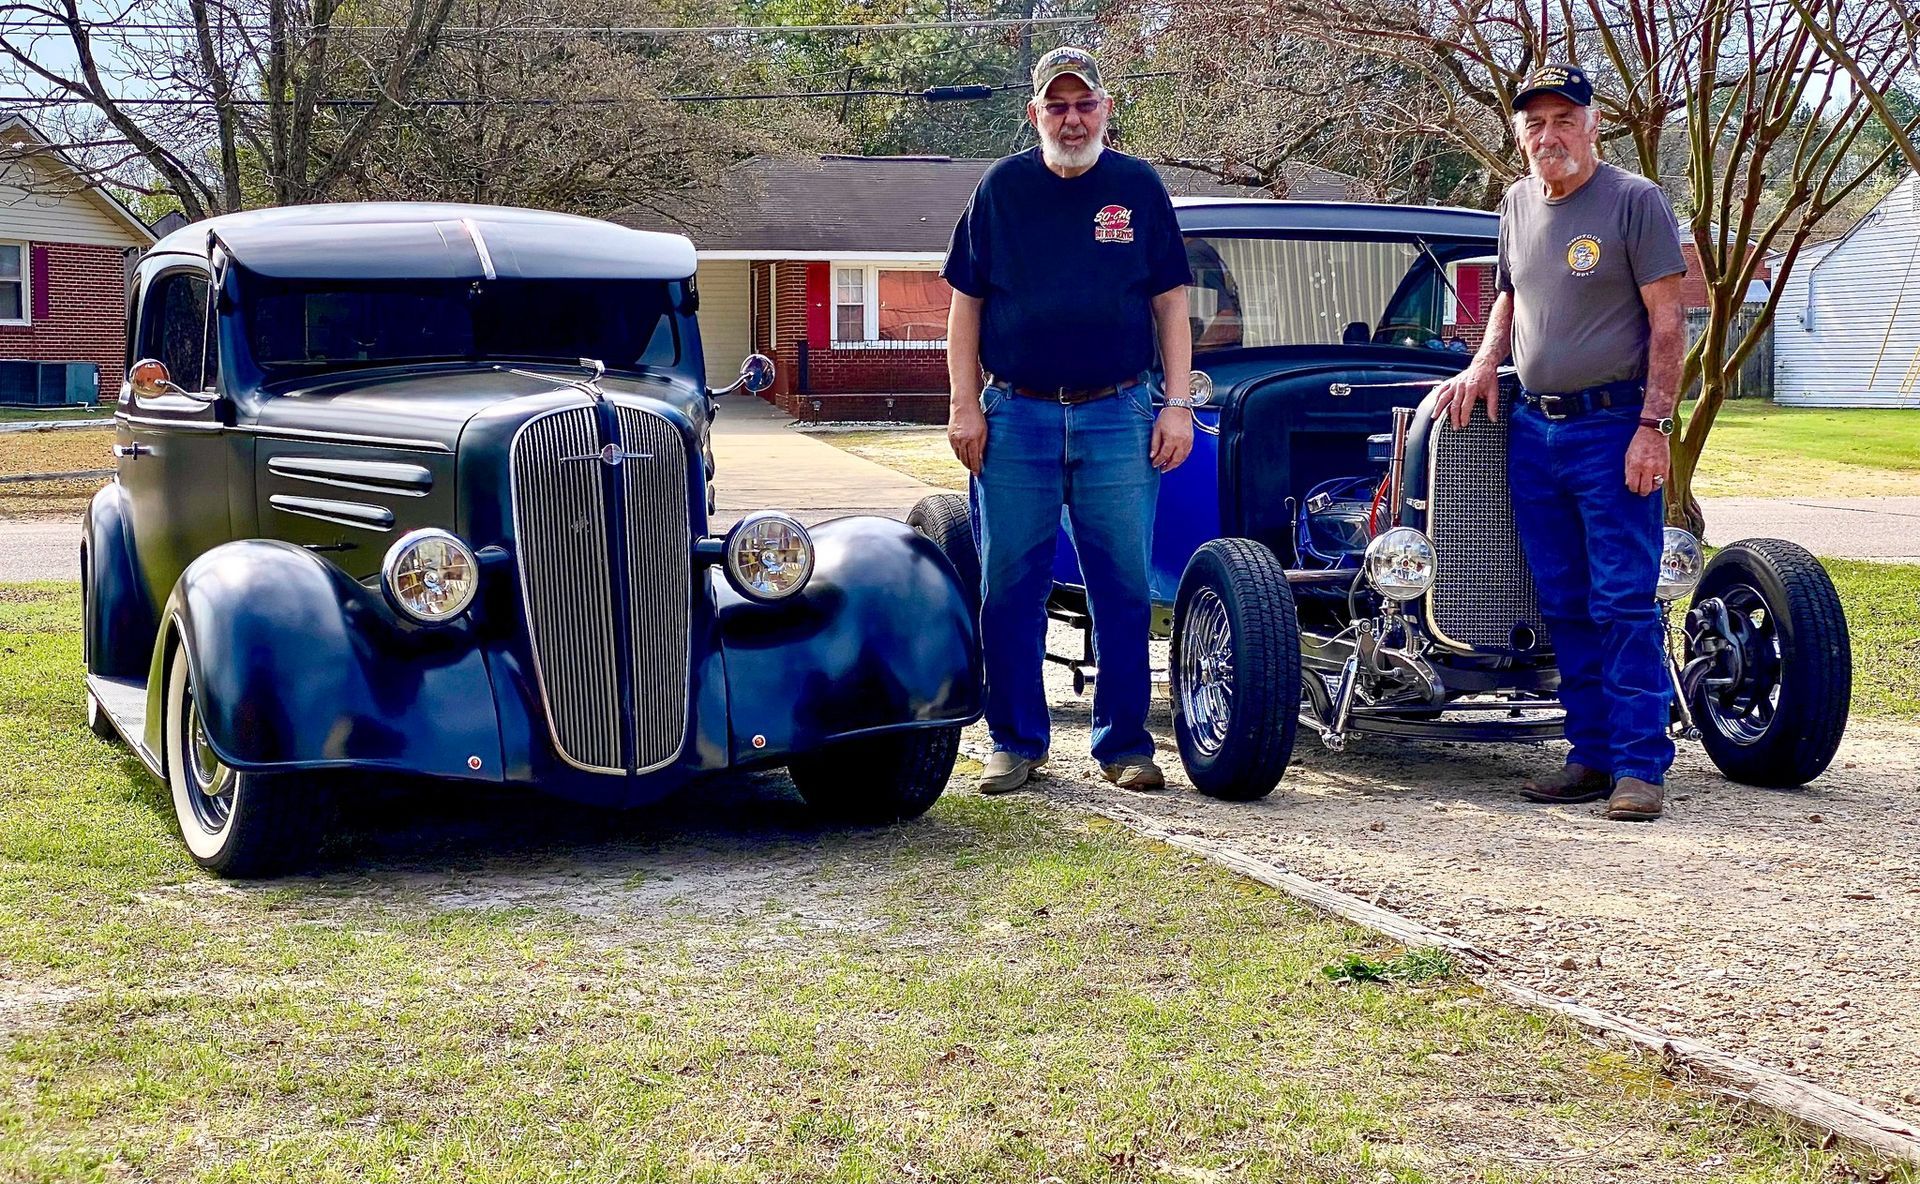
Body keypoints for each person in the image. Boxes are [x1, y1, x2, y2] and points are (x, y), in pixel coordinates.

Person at [1430, 63, 1687, 822]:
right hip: (1533, 429)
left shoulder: (1635, 202)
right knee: (1565, 602)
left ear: (1592, 123)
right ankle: (1590, 755)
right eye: (1534, 124)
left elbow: (1669, 326)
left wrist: (1654, 427)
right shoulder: (1514, 203)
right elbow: (1508, 294)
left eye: (1563, 120)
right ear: (1519, 134)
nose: (1549, 136)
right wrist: (1483, 360)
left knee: (1622, 600)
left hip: (1614, 429)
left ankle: (1641, 768)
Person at [942, 46, 1196, 795]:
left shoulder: (1138, 188)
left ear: (1106, 110)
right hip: (1014, 415)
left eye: (1084, 104)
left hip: (1118, 412)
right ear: (1035, 114)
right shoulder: (1000, 190)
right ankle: (1015, 742)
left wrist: (1176, 404)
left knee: (1122, 586)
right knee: (1009, 587)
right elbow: (966, 306)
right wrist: (963, 404)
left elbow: (1171, 303)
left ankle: (1124, 745)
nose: (1072, 118)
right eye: (1057, 105)